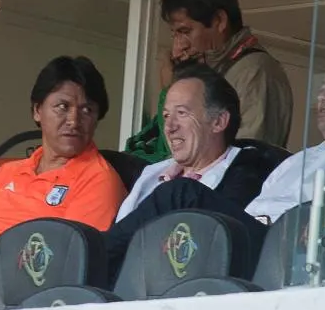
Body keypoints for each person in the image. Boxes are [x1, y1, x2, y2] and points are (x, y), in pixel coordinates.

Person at [108, 54, 325, 261]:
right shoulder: (302, 158)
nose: (322, 97)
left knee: (182, 192)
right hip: (253, 241)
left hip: (286, 253)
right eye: (323, 88)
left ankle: (98, 253)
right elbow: (255, 210)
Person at [0, 56, 126, 251]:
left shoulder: (99, 180)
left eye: (87, 110)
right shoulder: (7, 173)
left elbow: (67, 264)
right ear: (37, 111)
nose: (74, 120)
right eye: (62, 107)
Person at [125, 0, 294, 160]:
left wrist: (171, 91)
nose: (178, 48)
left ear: (219, 21)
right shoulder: (220, 71)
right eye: (175, 34)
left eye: (185, 31)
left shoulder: (255, 72)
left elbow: (243, 161)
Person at [116, 64, 279, 220]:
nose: (169, 127)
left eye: (181, 113)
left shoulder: (245, 177)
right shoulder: (151, 175)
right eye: (166, 116)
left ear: (218, 121)